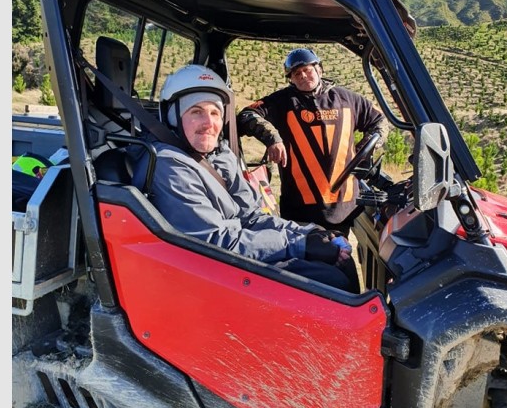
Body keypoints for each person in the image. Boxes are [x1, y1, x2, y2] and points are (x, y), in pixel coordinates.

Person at [131, 64, 358, 293]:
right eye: (196, 112)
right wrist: (299, 245)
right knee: (332, 281)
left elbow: (251, 216)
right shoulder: (168, 165)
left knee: (336, 252)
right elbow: (213, 244)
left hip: (236, 252)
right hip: (210, 271)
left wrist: (307, 233)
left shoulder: (218, 155)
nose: (209, 123)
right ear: (173, 117)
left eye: (215, 113)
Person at [237, 47, 391, 237]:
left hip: (344, 204)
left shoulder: (347, 99)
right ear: (291, 79)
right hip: (300, 207)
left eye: (307, 70)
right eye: (296, 73)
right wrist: (272, 138)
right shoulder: (282, 102)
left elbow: (380, 122)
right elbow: (246, 115)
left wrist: (365, 149)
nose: (303, 76)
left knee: (340, 253)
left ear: (319, 70)